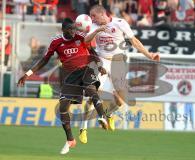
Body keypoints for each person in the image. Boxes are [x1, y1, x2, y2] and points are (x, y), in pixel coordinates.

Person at [17, 18, 108, 154]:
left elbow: (92, 51)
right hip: (69, 77)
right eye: (70, 29)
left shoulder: (80, 37)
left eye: (74, 29)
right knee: (63, 108)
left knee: (91, 90)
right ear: (63, 30)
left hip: (85, 70)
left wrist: (99, 65)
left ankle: (102, 116)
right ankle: (70, 140)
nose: (73, 32)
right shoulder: (56, 42)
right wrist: (28, 74)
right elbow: (44, 59)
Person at [78, 4, 160, 144]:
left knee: (121, 99)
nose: (92, 19)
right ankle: (83, 128)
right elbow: (85, 42)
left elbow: (134, 41)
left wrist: (149, 55)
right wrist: (97, 30)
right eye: (91, 17)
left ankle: (109, 113)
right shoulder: (93, 25)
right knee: (93, 94)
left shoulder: (120, 23)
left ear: (102, 14)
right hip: (101, 61)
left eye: (94, 16)